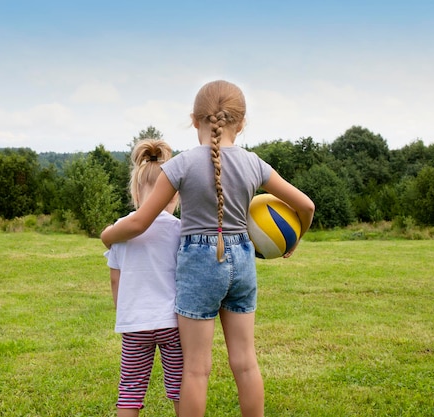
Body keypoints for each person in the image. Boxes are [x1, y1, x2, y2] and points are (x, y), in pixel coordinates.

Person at [102, 80, 315, 417]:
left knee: (196, 370)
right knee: (245, 363)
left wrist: (108, 235)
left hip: (200, 265)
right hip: (243, 261)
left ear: (194, 119)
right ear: (241, 123)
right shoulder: (254, 164)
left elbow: (140, 222)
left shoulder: (180, 166)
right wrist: (294, 240)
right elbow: (307, 206)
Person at [105, 139, 182, 417]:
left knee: (131, 388)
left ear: (136, 193)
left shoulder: (119, 231)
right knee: (180, 385)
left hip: (135, 323)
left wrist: (123, 310)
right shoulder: (178, 230)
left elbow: (116, 279)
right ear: (174, 195)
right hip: (173, 322)